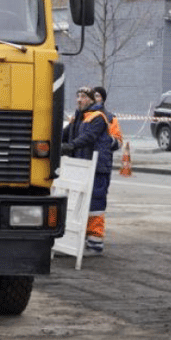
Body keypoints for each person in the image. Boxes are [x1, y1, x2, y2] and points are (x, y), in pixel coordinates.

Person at [62, 85, 124, 255]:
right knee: (78, 203)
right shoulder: (80, 116)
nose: (79, 100)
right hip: (83, 164)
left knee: (95, 205)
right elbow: (68, 134)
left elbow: (111, 140)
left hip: (97, 166)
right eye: (78, 96)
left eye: (84, 96)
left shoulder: (103, 117)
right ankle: (78, 240)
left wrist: (104, 144)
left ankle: (95, 243)